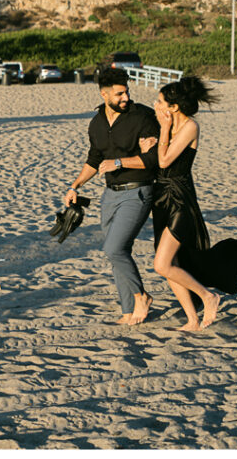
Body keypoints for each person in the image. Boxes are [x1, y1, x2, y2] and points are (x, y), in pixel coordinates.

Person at [151, 77, 237, 331]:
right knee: (171, 265)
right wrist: (154, 141)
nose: (156, 105)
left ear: (174, 106)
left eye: (160, 101)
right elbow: (159, 158)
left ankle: (208, 296)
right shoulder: (169, 125)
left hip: (180, 200)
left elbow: (165, 162)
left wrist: (163, 130)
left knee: (161, 264)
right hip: (162, 199)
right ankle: (192, 319)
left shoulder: (190, 126)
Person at [64, 68, 159, 325]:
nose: (126, 97)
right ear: (104, 94)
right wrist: (75, 186)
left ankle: (142, 296)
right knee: (117, 253)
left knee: (114, 248)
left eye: (127, 91)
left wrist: (119, 162)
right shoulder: (96, 123)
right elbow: (94, 159)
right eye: (119, 93)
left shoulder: (143, 117)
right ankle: (128, 310)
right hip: (110, 195)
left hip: (137, 191)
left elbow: (153, 160)